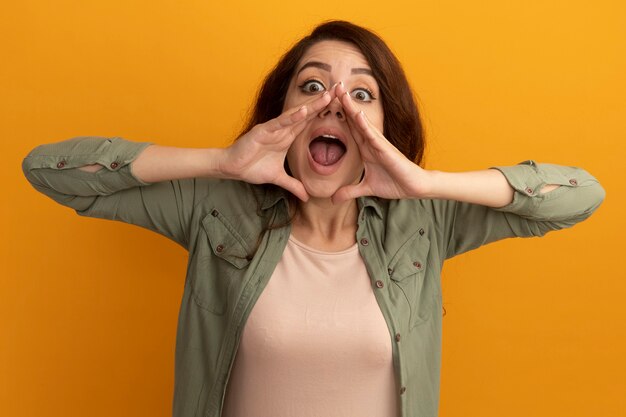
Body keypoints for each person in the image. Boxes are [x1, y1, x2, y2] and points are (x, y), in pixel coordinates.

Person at [22, 20, 604, 417]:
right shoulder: (215, 210)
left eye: (361, 94)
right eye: (314, 85)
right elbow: (51, 170)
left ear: (384, 125)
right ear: (285, 113)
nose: (334, 103)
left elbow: (579, 194)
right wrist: (222, 163)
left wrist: (425, 182)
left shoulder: (424, 220)